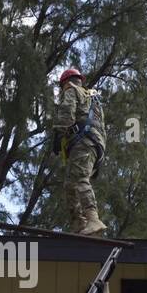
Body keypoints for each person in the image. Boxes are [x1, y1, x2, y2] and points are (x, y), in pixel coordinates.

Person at [51, 67, 108, 236]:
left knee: (80, 179)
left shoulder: (71, 90)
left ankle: (93, 219)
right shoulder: (94, 99)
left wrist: (59, 133)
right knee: (70, 184)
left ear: (65, 83)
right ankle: (79, 225)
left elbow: (67, 111)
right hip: (95, 144)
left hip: (84, 141)